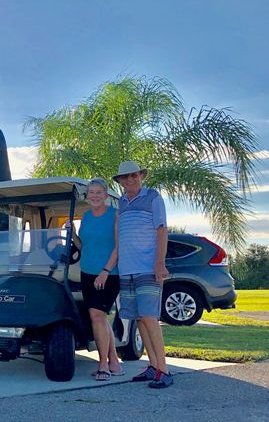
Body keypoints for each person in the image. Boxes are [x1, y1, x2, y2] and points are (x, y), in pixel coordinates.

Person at [101, 160, 172, 388]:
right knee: (139, 318)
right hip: (127, 269)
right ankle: (152, 366)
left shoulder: (153, 197)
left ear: (141, 176)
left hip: (148, 268)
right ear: (120, 181)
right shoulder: (122, 202)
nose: (130, 180)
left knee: (150, 318)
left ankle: (164, 370)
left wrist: (159, 263)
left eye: (134, 176)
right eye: (125, 177)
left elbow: (162, 230)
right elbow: (120, 238)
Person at [68, 178, 123, 381]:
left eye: (99, 192)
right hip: (87, 272)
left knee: (97, 316)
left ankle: (103, 366)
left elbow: (119, 247)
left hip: (109, 273)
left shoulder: (115, 215)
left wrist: (106, 270)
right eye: (91, 192)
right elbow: (84, 247)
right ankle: (115, 363)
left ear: (106, 195)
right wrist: (73, 235)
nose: (95, 195)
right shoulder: (87, 217)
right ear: (87, 196)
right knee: (100, 318)